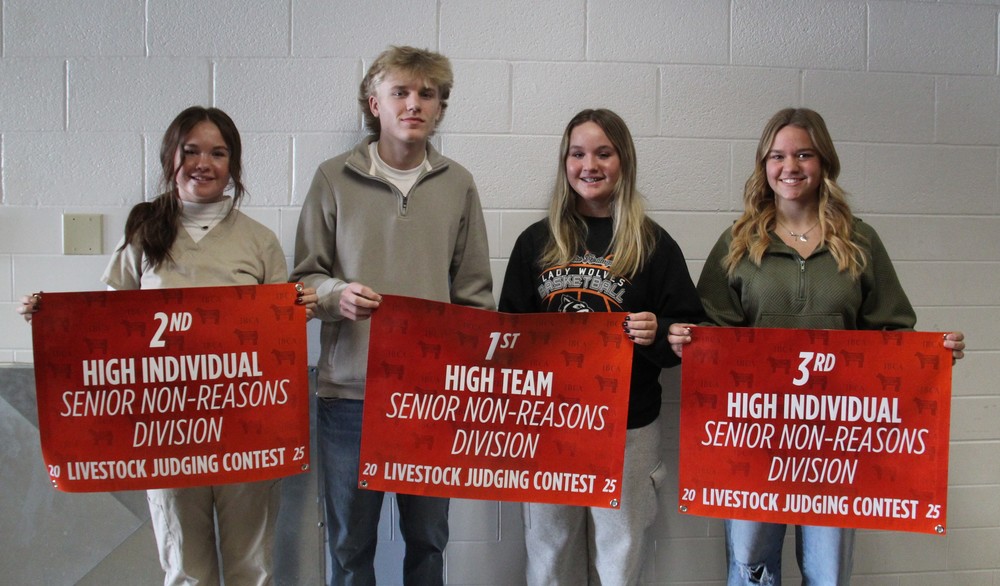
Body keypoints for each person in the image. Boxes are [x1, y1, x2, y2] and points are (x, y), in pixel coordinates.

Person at [18, 105, 317, 586]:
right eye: (192, 150)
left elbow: (278, 332)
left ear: (233, 164)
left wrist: (298, 306)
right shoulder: (144, 233)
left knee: (252, 567)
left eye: (218, 153)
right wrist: (51, 319)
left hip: (245, 426)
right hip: (166, 428)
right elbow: (107, 322)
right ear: (170, 158)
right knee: (185, 568)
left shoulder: (259, 242)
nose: (205, 162)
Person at [667, 107, 966, 586]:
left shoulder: (860, 241)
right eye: (778, 155)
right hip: (755, 435)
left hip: (837, 441)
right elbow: (713, 331)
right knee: (751, 566)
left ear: (824, 161)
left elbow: (891, 334)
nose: (791, 166)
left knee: (828, 571)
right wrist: (689, 339)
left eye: (803, 154)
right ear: (763, 165)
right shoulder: (739, 242)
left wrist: (932, 354)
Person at [289, 46, 494, 586]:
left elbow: (475, 296)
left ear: (440, 108)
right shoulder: (333, 178)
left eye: (427, 94)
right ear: (374, 104)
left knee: (428, 543)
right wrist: (337, 297)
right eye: (399, 92)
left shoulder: (459, 184)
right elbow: (301, 282)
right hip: (349, 396)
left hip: (430, 398)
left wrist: (465, 373)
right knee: (349, 546)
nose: (414, 104)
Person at [498, 108, 706, 585]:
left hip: (628, 425)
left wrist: (659, 331)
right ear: (564, 162)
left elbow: (691, 332)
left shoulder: (652, 244)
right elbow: (509, 333)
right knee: (550, 553)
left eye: (603, 153)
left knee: (620, 555)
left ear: (623, 161)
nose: (589, 165)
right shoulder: (536, 242)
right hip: (549, 424)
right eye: (577, 154)